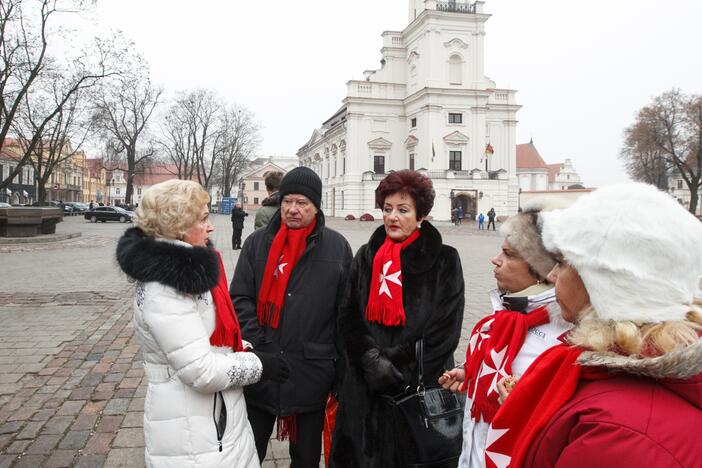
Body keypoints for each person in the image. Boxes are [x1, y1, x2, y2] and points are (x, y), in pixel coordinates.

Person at [488, 183, 702, 468]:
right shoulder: (618, 381)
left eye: (563, 262)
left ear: (605, 283)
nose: (551, 275)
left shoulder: (613, 432)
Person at [116, 179, 289, 467]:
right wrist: (260, 364)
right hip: (193, 434)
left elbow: (210, 339)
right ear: (178, 226)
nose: (211, 227)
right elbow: (201, 370)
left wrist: (244, 347)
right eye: (204, 218)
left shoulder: (187, 274)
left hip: (212, 423)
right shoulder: (166, 287)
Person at [330, 170, 465, 467]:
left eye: (403, 210)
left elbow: (445, 331)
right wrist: (370, 362)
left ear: (421, 216)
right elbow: (348, 314)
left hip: (417, 388)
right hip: (365, 390)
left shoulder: (445, 259)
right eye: (387, 209)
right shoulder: (366, 255)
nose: (393, 217)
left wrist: (394, 368)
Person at [230, 167, 353, 467]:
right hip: (262, 369)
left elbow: (346, 313)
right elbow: (240, 298)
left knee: (306, 459)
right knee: (248, 453)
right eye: (287, 202)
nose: (293, 209)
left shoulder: (337, 248)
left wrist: (341, 370)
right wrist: (260, 346)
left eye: (302, 203)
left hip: (312, 374)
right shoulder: (257, 243)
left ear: (316, 206)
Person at [439, 199, 571, 468]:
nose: (495, 260)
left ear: (542, 270)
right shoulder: (496, 322)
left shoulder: (563, 341)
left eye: (509, 255)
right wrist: (472, 375)